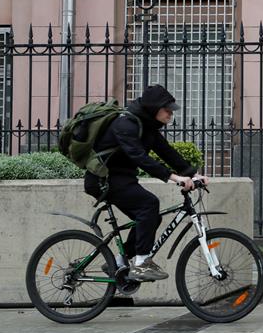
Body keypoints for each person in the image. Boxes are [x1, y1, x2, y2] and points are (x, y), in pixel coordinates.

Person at [84, 84, 208, 281]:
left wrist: (192, 174)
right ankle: (141, 263)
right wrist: (174, 178)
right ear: (153, 109)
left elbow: (167, 152)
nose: (170, 114)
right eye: (167, 110)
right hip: (104, 180)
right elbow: (139, 157)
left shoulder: (147, 126)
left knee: (151, 218)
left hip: (122, 178)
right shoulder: (125, 124)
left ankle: (118, 263)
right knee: (148, 205)